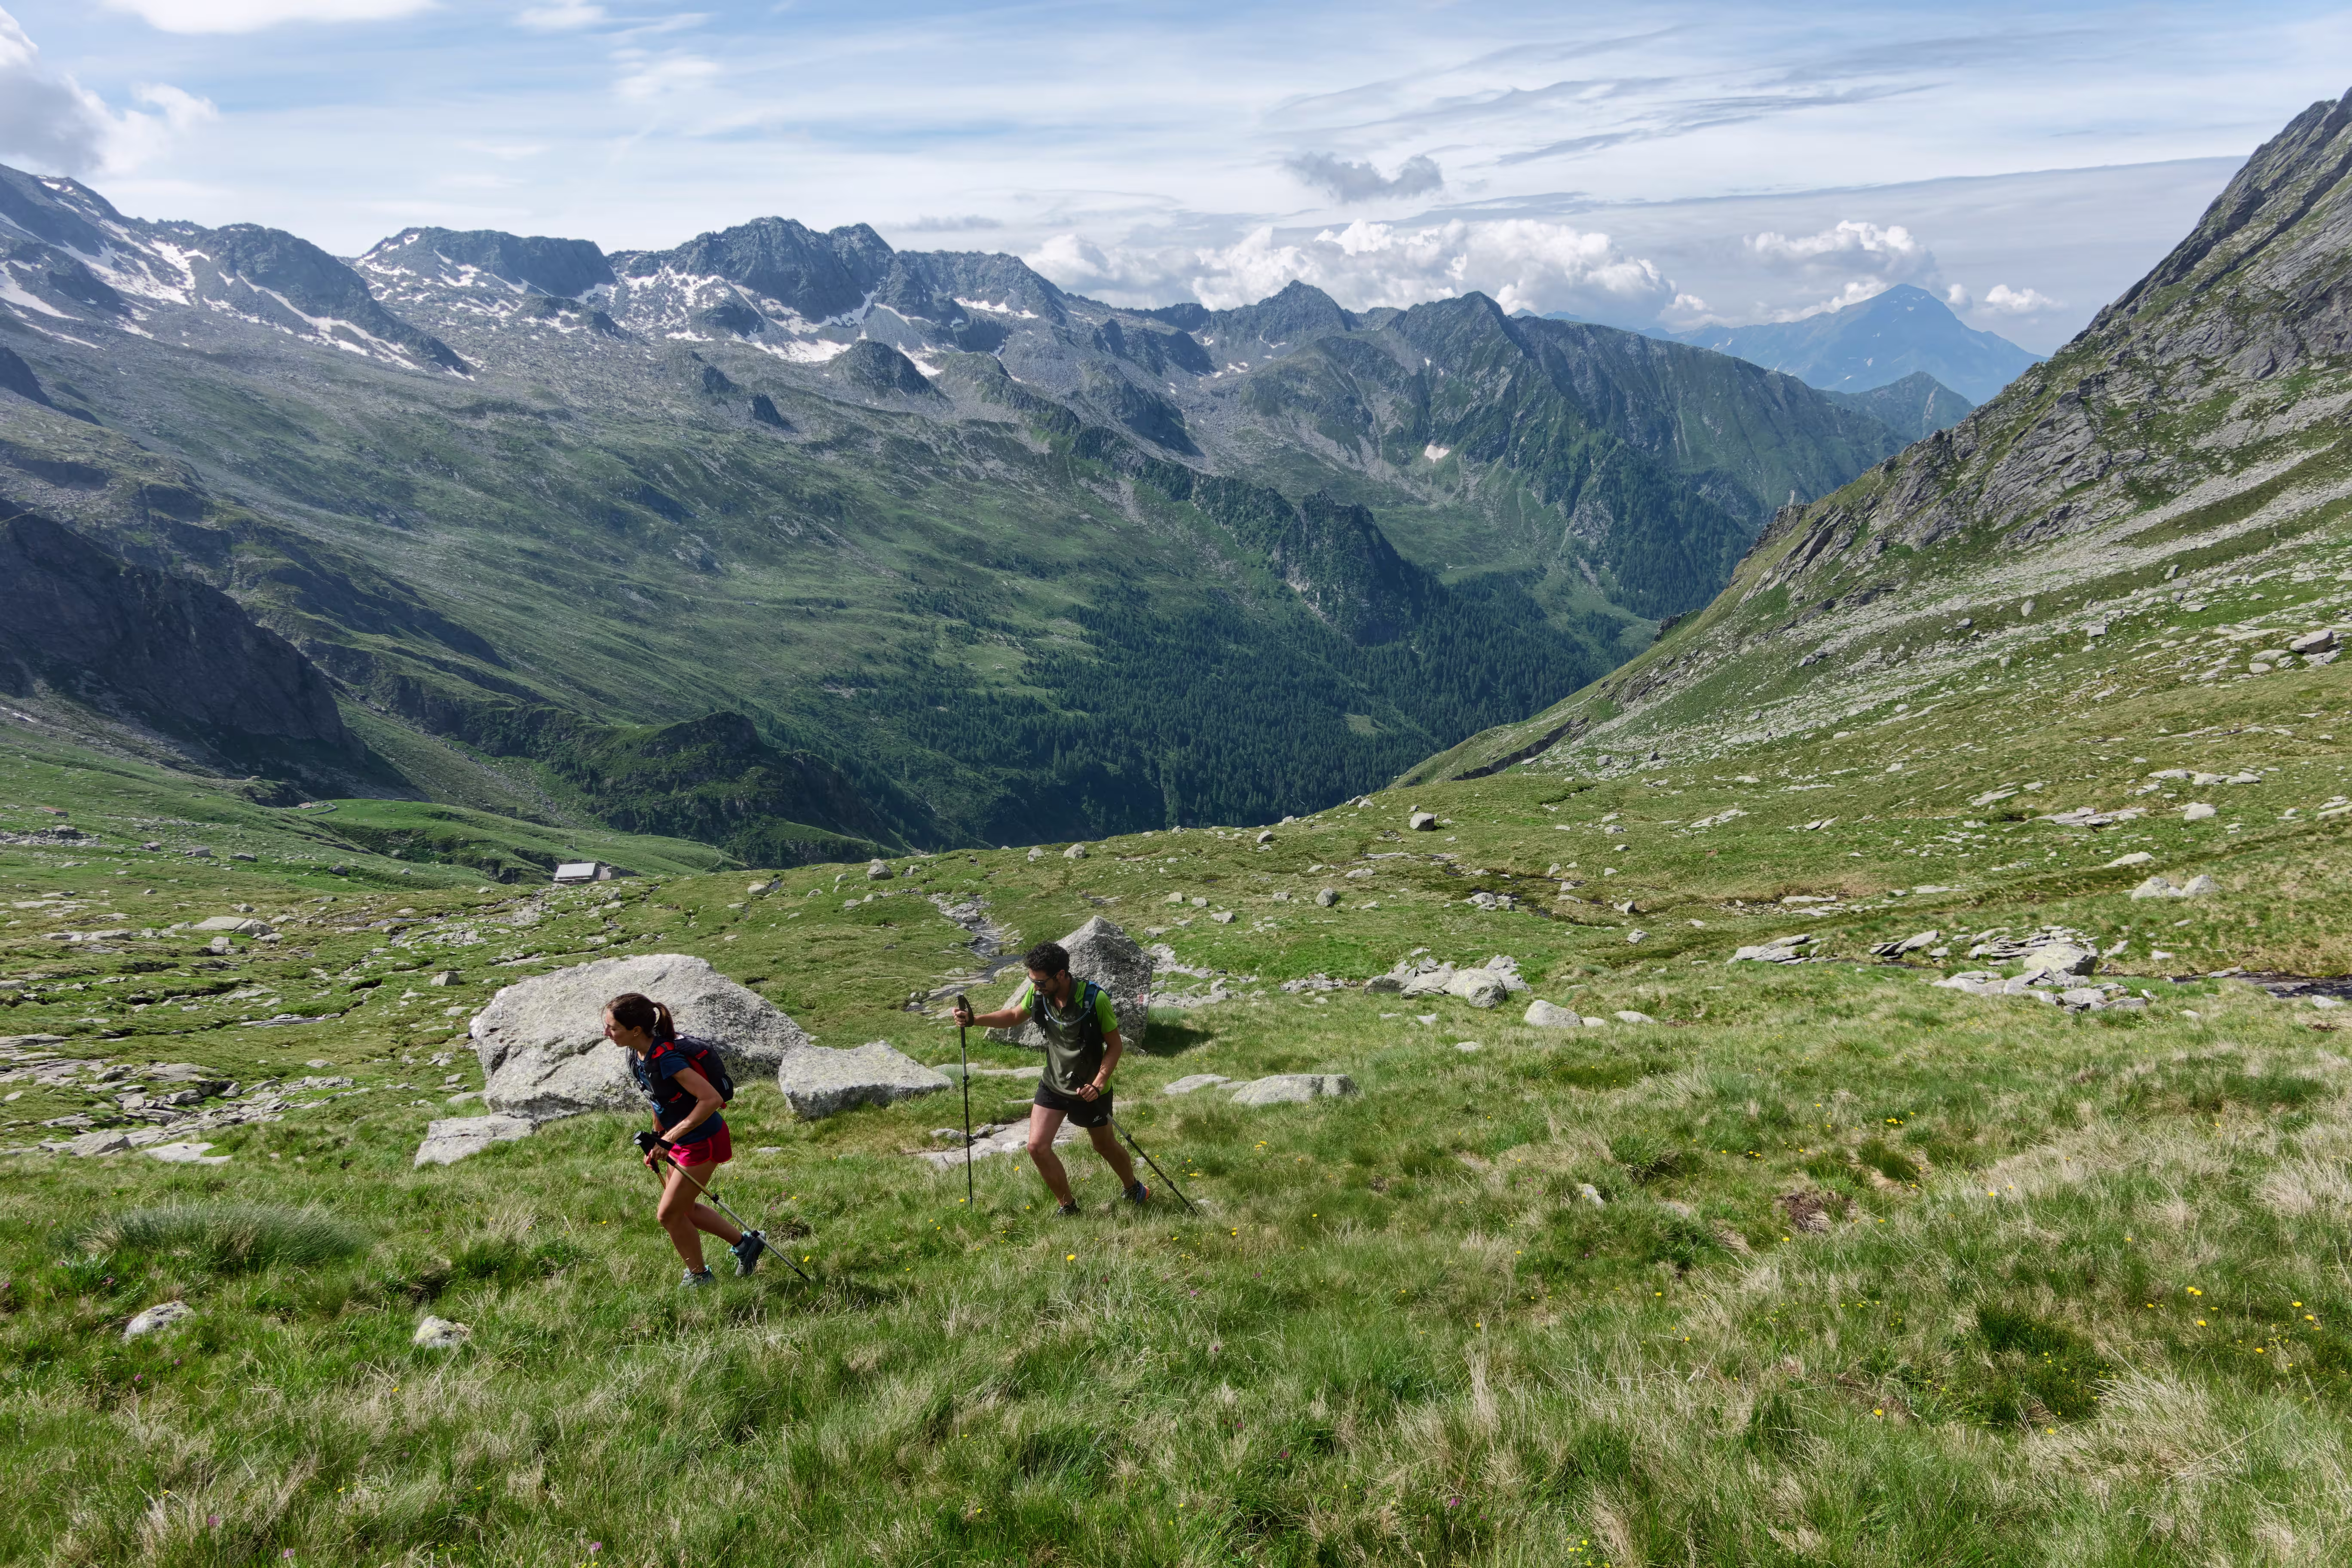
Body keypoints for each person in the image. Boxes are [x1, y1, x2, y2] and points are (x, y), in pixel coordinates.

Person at [954, 941, 1147, 1214]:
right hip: (1054, 1083)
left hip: (1089, 1089)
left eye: (1041, 982)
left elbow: (1115, 1046)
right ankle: (1068, 1206)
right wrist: (974, 1020)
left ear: (1061, 975)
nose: (1036, 987)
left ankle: (1133, 1187)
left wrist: (1099, 1082)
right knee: (1036, 1147)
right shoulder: (1038, 995)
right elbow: (1012, 1016)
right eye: (1032, 980)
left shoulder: (1095, 1000)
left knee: (1103, 1145)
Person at [605, 992, 766, 1286]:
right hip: (679, 1141)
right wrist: (657, 1139)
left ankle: (699, 1277)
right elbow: (658, 1100)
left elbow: (711, 1099)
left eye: (613, 1028)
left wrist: (669, 1139)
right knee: (685, 1209)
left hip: (702, 1140)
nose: (606, 1033)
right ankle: (747, 1246)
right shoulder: (638, 1055)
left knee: (669, 1215)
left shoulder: (668, 1058)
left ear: (636, 1030)